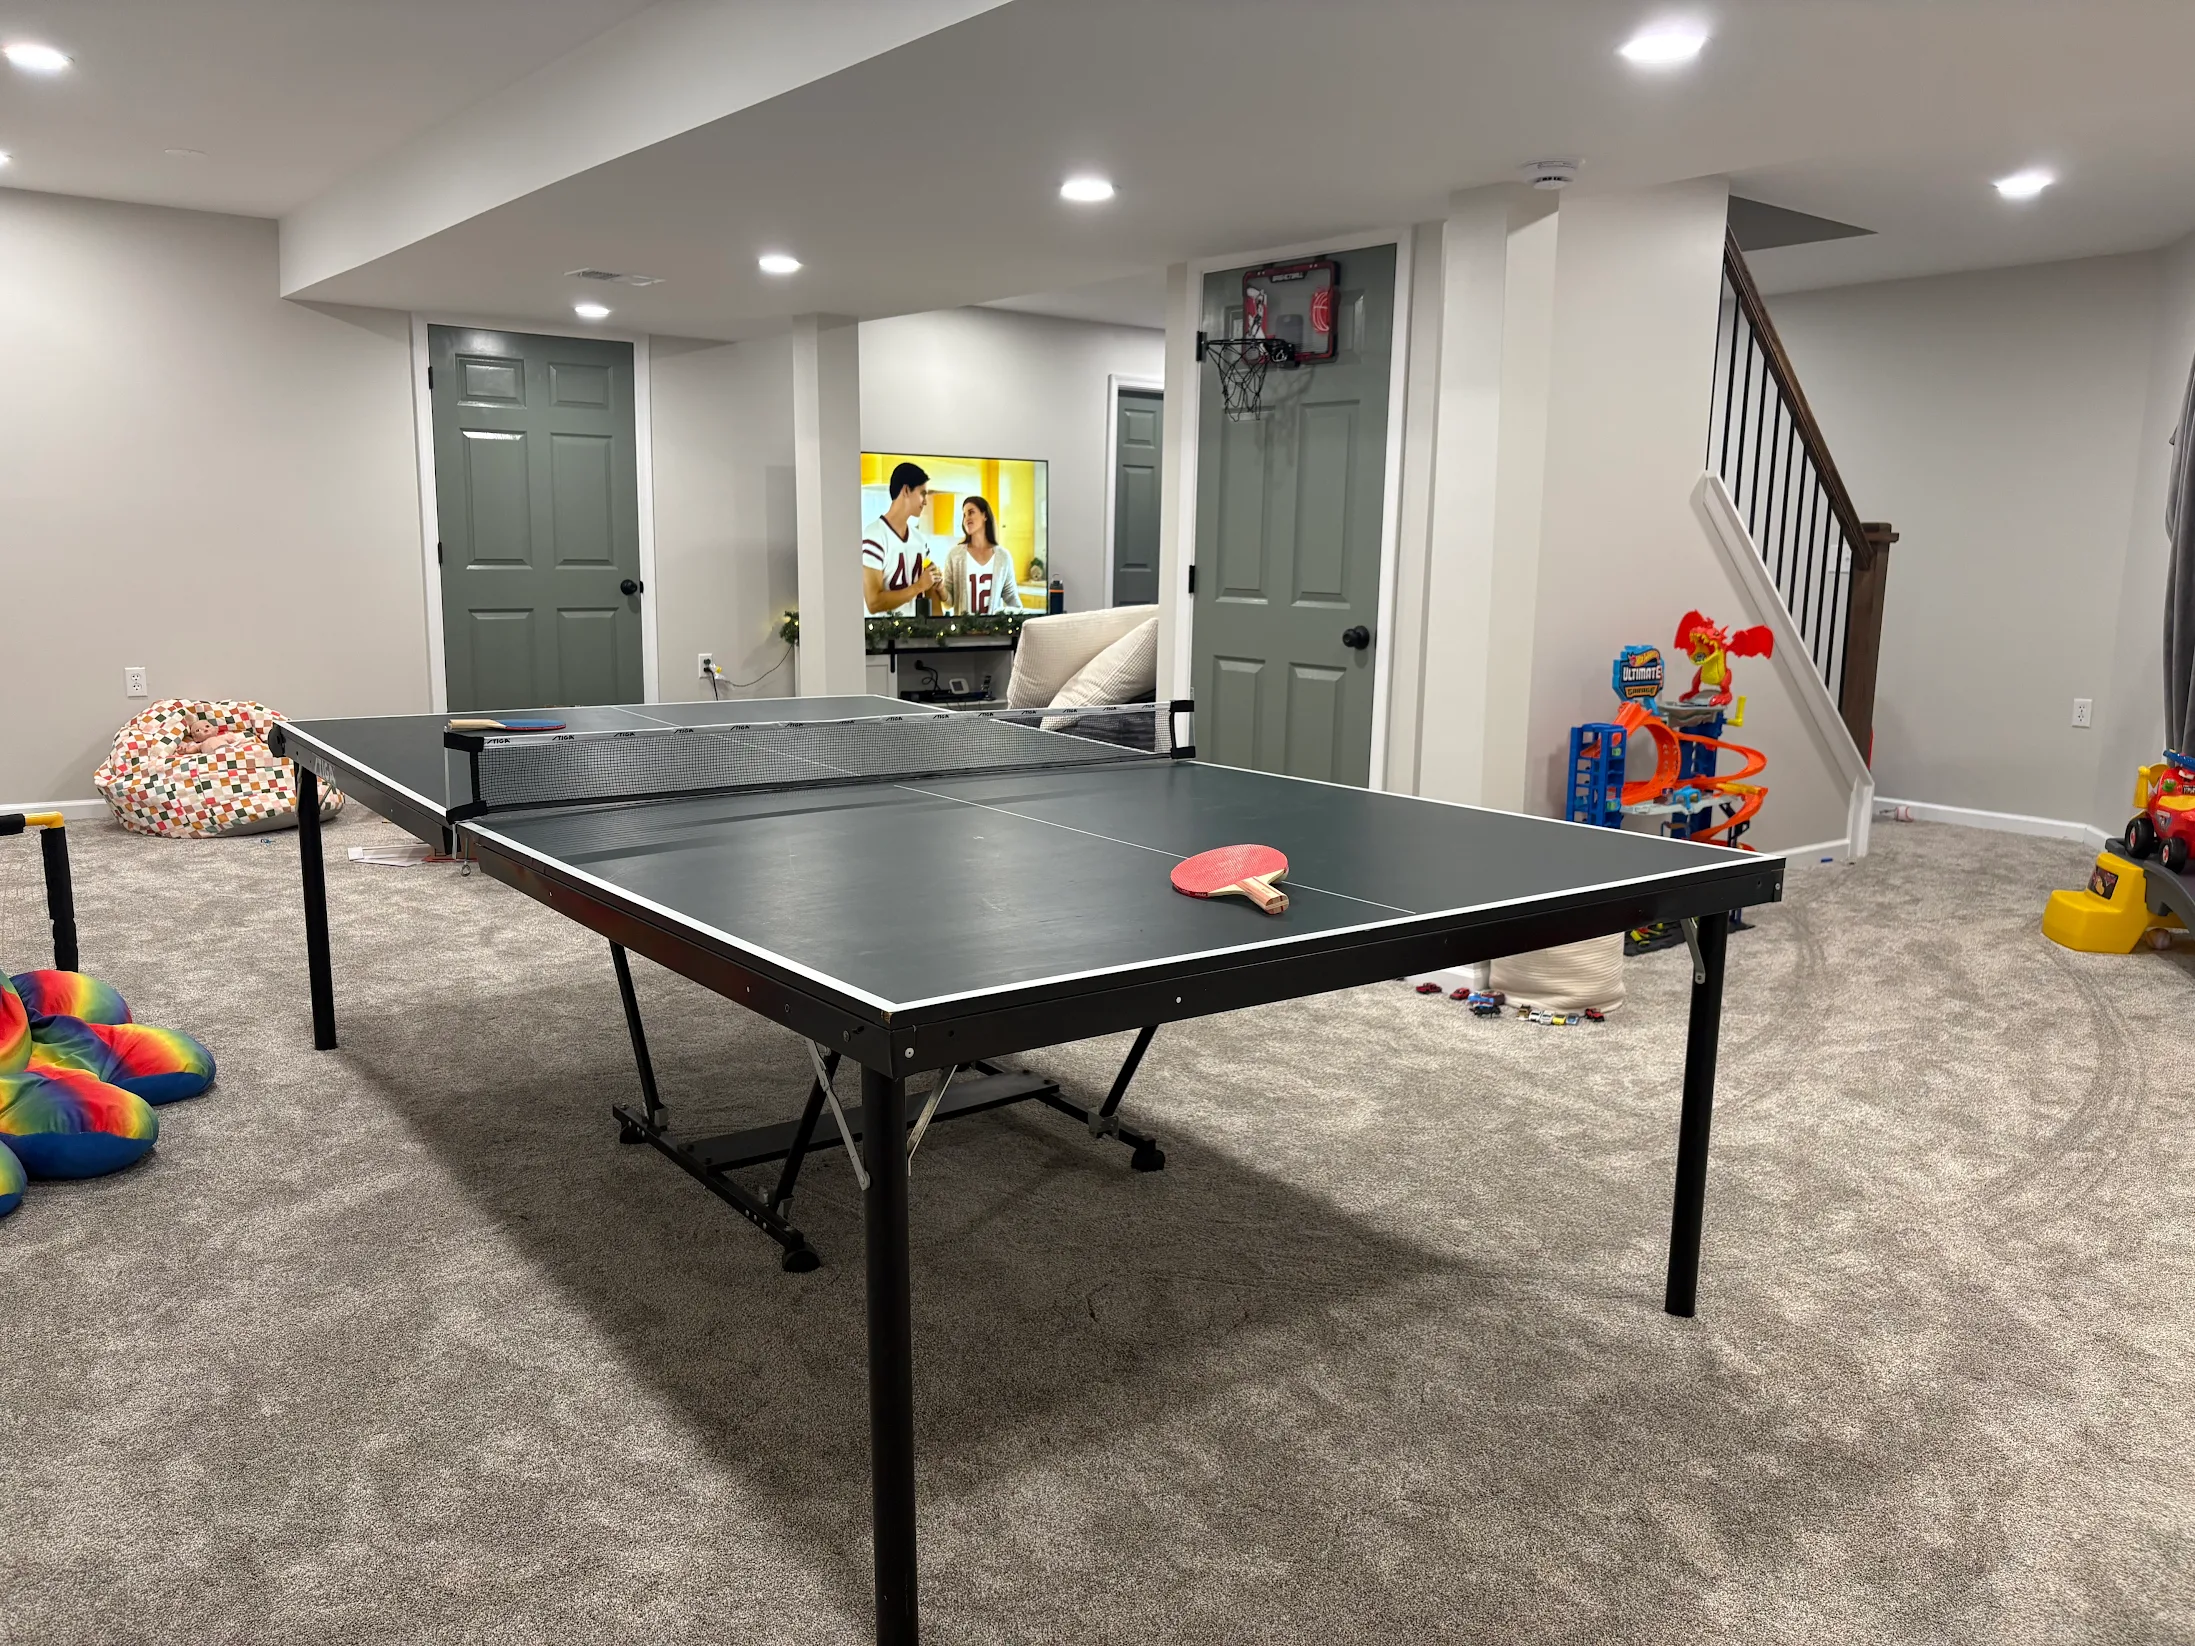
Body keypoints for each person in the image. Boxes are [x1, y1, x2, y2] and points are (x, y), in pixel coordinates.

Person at [862, 462, 943, 615]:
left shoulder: (920, 541)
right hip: (885, 630)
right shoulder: (874, 535)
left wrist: (935, 583)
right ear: (906, 490)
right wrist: (919, 586)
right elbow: (873, 602)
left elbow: (931, 596)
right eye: (922, 493)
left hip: (917, 630)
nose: (925, 501)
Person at [940, 496, 1023, 616]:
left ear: (985, 515)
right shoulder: (955, 556)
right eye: (964, 515)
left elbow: (1013, 601)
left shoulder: (1003, 557)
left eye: (971, 512)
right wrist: (940, 588)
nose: (967, 518)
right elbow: (948, 604)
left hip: (993, 628)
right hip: (962, 627)